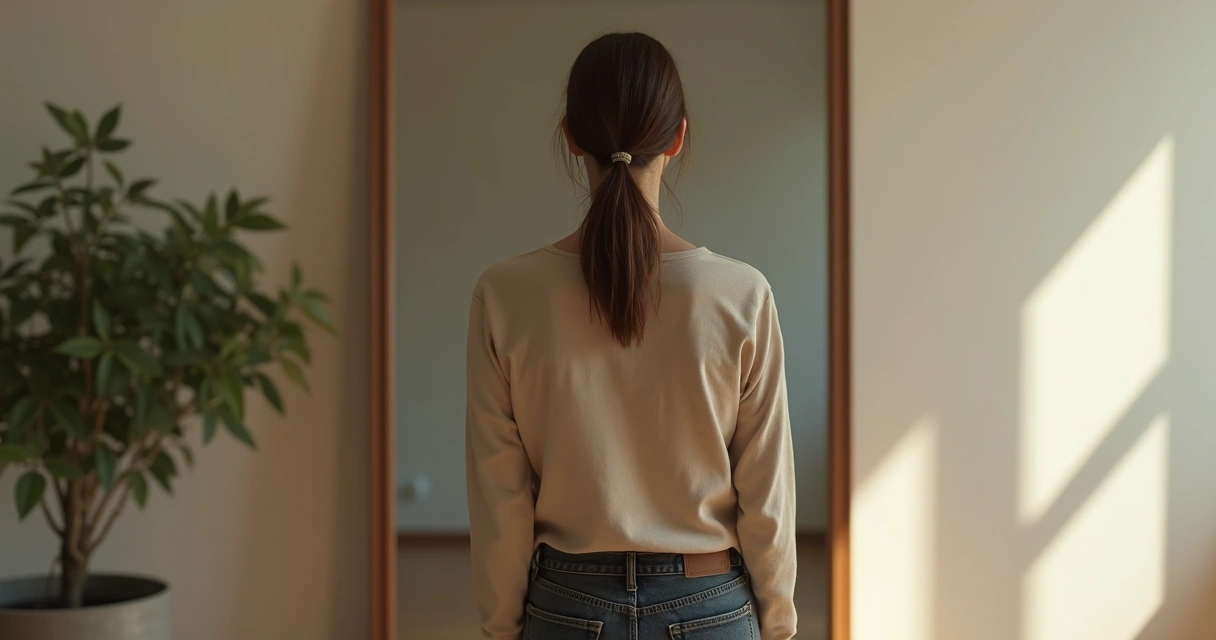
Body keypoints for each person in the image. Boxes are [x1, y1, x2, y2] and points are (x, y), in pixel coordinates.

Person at [465, 32, 797, 640]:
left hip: (565, 607)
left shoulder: (505, 294)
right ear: (677, 137)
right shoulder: (742, 295)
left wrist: (501, 628)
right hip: (711, 607)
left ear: (570, 138)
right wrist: (776, 625)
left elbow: (500, 503)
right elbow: (766, 498)